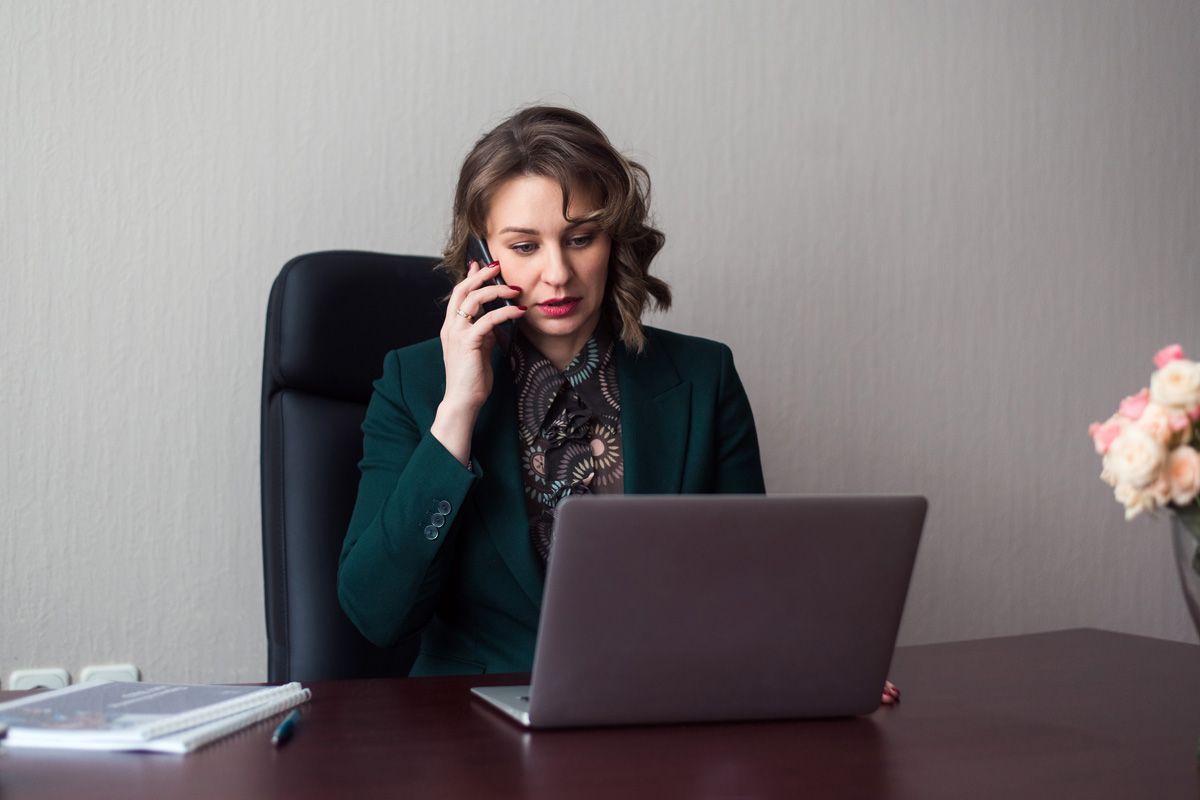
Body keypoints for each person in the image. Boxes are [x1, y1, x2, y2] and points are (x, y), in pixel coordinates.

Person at [336, 106, 898, 704]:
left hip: (655, 708)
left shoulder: (702, 377)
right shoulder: (414, 383)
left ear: (615, 239)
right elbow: (377, 615)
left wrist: (809, 654)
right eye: (524, 246)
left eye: (581, 239)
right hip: (471, 726)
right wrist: (458, 411)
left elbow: (743, 580)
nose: (558, 273)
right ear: (481, 254)